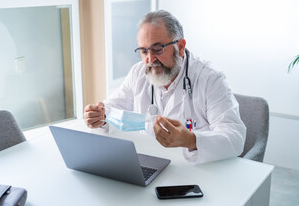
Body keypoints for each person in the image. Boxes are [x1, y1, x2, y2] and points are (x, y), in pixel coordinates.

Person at [83, 10, 246, 164]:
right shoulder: (138, 73)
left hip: (194, 169)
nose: (150, 59)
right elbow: (111, 109)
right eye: (144, 51)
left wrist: (190, 140)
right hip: (149, 162)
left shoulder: (210, 79)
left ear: (180, 47)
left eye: (157, 49)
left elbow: (235, 137)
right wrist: (99, 117)